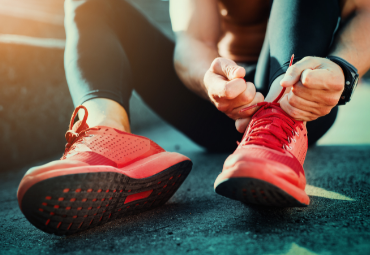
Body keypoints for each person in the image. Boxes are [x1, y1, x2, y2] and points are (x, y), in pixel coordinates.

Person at [17, 0, 370, 235]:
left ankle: (276, 132)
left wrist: (342, 68)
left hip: (303, 101)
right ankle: (107, 135)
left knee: (290, 92)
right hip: (220, 101)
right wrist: (211, 80)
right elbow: (191, 41)